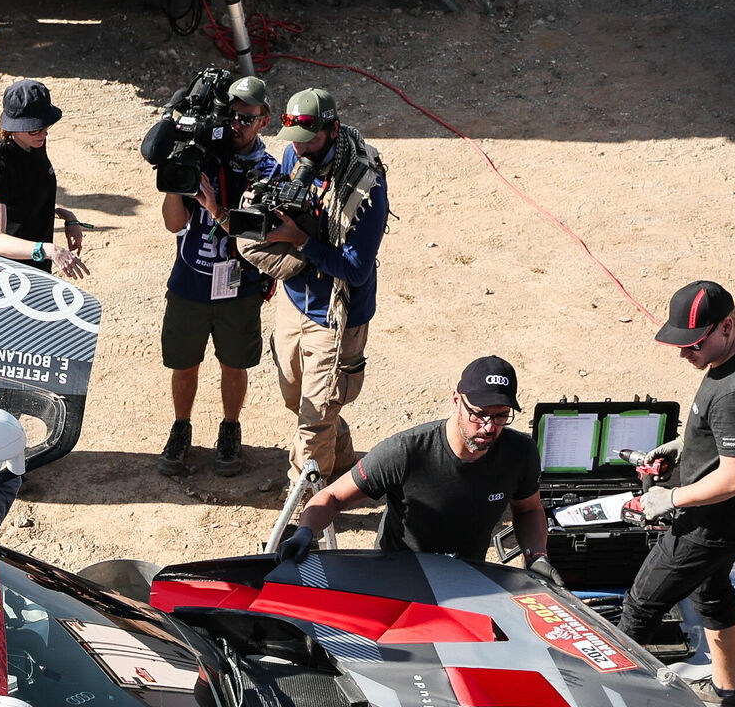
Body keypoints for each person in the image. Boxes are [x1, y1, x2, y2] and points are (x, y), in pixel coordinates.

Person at [627, 280, 735, 707]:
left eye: (693, 344)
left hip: (712, 523)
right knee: (712, 592)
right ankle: (727, 695)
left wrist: (670, 498)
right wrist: (683, 445)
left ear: (727, 327)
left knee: (639, 608)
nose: (684, 354)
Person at [237, 88, 389, 485]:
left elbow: (355, 271)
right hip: (295, 297)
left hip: (336, 314)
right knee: (294, 395)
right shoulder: (294, 153)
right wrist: (263, 204)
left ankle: (303, 506)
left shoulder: (365, 188)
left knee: (314, 418)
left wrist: (300, 240)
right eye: (295, 142)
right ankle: (339, 456)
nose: (300, 152)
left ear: (333, 130)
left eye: (309, 141)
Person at [279, 355, 545, 565]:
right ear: (456, 400)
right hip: (400, 575)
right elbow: (333, 496)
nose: (489, 427)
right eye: (479, 414)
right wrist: (305, 532)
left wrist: (537, 557)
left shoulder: (519, 452)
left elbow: (529, 509)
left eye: (501, 416)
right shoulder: (407, 452)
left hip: (468, 577)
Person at [156, 75, 272, 476]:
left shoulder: (268, 169)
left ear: (264, 121)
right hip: (189, 284)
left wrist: (215, 205)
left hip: (239, 290)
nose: (237, 125)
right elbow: (174, 225)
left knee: (233, 364)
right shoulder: (202, 156)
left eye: (247, 118)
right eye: (232, 116)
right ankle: (181, 428)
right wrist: (175, 181)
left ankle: (230, 429)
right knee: (183, 363)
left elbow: (257, 233)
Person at [0, 79, 86, 279]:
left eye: (45, 125)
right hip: (7, 277)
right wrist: (50, 251)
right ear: (14, 127)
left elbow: (26, 196)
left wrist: (66, 215)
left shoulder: (33, 142)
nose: (43, 132)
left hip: (36, 269)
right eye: (34, 127)